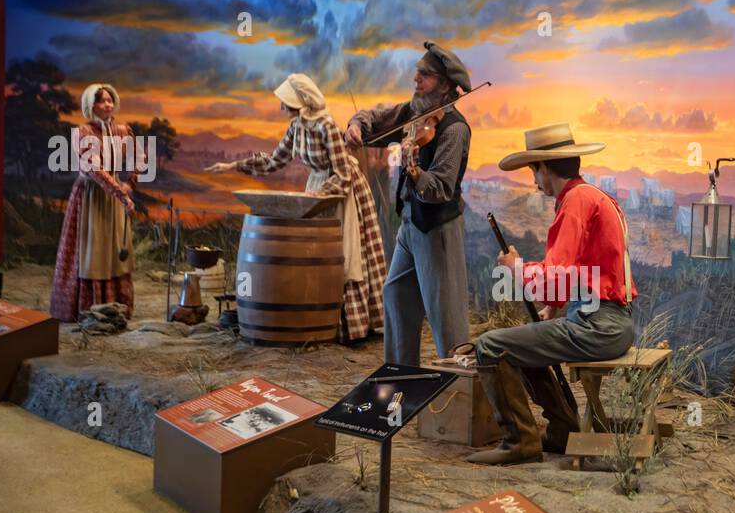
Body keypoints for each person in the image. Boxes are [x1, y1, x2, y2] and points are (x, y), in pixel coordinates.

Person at [467, 123, 637, 465]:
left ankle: (520, 441)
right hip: (606, 322)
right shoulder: (593, 197)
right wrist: (554, 307)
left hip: (596, 326)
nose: (533, 179)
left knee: (490, 346)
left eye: (534, 170)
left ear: (545, 168)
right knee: (522, 344)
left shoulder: (575, 201)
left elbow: (554, 274)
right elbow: (582, 268)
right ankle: (561, 432)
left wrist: (516, 267)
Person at [206, 73, 386, 342]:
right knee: (317, 253)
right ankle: (320, 320)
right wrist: (233, 166)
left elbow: (343, 174)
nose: (282, 107)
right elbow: (273, 162)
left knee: (344, 253)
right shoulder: (296, 127)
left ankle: (349, 326)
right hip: (317, 188)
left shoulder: (326, 126)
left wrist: (318, 195)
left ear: (301, 101)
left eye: (286, 101)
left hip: (342, 193)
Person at [345, 41, 472, 365]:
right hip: (410, 224)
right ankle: (399, 379)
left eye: (425, 75)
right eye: (417, 72)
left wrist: (413, 170)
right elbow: (376, 117)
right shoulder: (415, 111)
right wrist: (357, 126)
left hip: (437, 229)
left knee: (447, 318)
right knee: (397, 296)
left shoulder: (454, 129)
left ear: (444, 86)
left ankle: (458, 392)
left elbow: (441, 187)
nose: (416, 80)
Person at [50, 83, 138, 322]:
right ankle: (92, 306)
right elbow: (94, 169)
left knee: (114, 250)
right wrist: (121, 193)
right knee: (93, 248)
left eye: (110, 100)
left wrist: (130, 182)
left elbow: (138, 157)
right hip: (91, 197)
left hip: (115, 196)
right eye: (101, 101)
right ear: (91, 105)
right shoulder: (84, 132)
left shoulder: (122, 131)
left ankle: (116, 305)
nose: (107, 104)